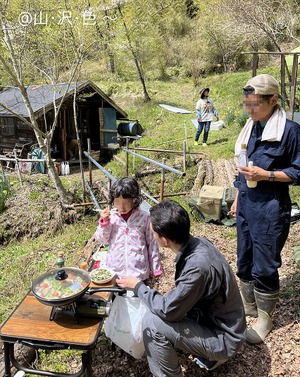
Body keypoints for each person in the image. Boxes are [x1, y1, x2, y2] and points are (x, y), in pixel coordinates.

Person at [116, 200, 246, 376]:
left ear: (164, 240)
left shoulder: (197, 268)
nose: (151, 233)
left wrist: (138, 287)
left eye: (152, 231)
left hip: (224, 339)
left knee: (151, 323)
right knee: (162, 309)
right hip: (219, 322)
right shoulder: (198, 244)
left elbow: (168, 311)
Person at [231, 74, 300, 344]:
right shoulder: (252, 126)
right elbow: (243, 163)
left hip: (270, 207)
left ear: (273, 100)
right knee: (244, 257)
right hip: (247, 201)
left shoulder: (290, 131)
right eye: (246, 105)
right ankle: (248, 305)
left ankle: (264, 318)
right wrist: (238, 195)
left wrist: (267, 175)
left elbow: (298, 171)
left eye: (254, 105)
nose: (249, 110)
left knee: (265, 265)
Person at [95, 177, 163, 282]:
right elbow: (101, 240)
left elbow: (152, 244)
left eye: (126, 203)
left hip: (138, 273)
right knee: (117, 298)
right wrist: (104, 223)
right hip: (115, 272)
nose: (121, 207)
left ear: (135, 200)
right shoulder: (111, 218)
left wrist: (156, 268)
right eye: (117, 202)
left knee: (138, 298)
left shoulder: (144, 218)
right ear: (112, 200)